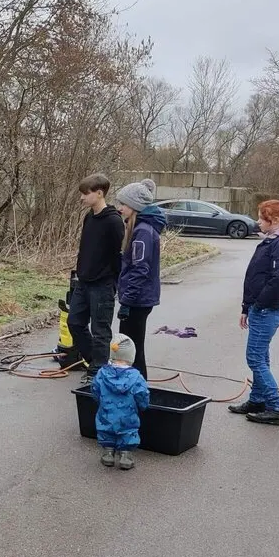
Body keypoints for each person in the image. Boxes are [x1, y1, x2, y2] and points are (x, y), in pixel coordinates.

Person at [229, 199, 279, 427]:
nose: (257, 222)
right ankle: (257, 401)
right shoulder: (273, 241)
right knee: (261, 356)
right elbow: (257, 277)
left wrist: (258, 304)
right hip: (260, 309)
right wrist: (247, 307)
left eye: (260, 218)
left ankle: (276, 407)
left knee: (255, 358)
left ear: (274, 221)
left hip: (267, 310)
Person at [68, 174, 126, 382]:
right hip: (83, 282)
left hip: (102, 284)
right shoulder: (89, 217)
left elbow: (117, 255)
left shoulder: (113, 221)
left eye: (85, 194)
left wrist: (114, 283)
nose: (82, 198)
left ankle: (97, 373)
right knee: (74, 322)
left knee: (100, 330)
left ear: (99, 193)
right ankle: (95, 361)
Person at [115, 179, 166, 379]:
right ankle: (135, 385)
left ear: (135, 206)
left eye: (124, 204)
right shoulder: (137, 228)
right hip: (136, 298)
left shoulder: (142, 232)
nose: (120, 208)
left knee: (132, 347)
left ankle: (137, 386)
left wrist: (127, 300)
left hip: (138, 300)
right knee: (131, 345)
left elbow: (140, 268)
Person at [92, 334, 150, 471]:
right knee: (128, 432)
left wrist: (100, 401)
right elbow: (142, 394)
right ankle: (125, 456)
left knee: (106, 430)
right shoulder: (136, 377)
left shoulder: (102, 373)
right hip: (128, 416)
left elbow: (95, 389)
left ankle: (108, 454)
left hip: (106, 413)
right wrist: (143, 406)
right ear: (131, 357)